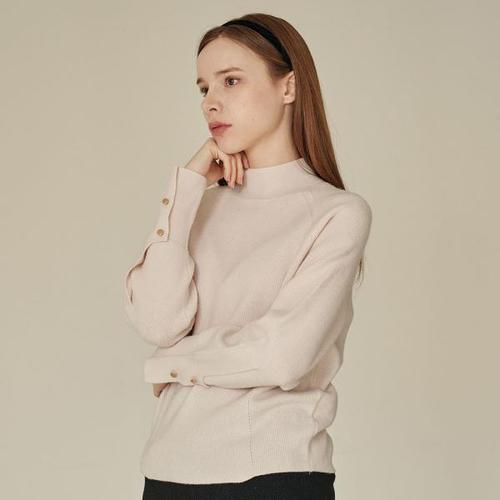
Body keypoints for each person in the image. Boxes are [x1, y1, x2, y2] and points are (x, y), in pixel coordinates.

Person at [124, 12, 373, 500]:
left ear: (288, 86)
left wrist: (168, 366)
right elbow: (158, 323)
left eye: (231, 81)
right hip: (167, 471)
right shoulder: (198, 208)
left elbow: (282, 356)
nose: (211, 102)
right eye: (203, 88)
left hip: (274, 475)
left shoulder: (337, 213)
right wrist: (187, 188)